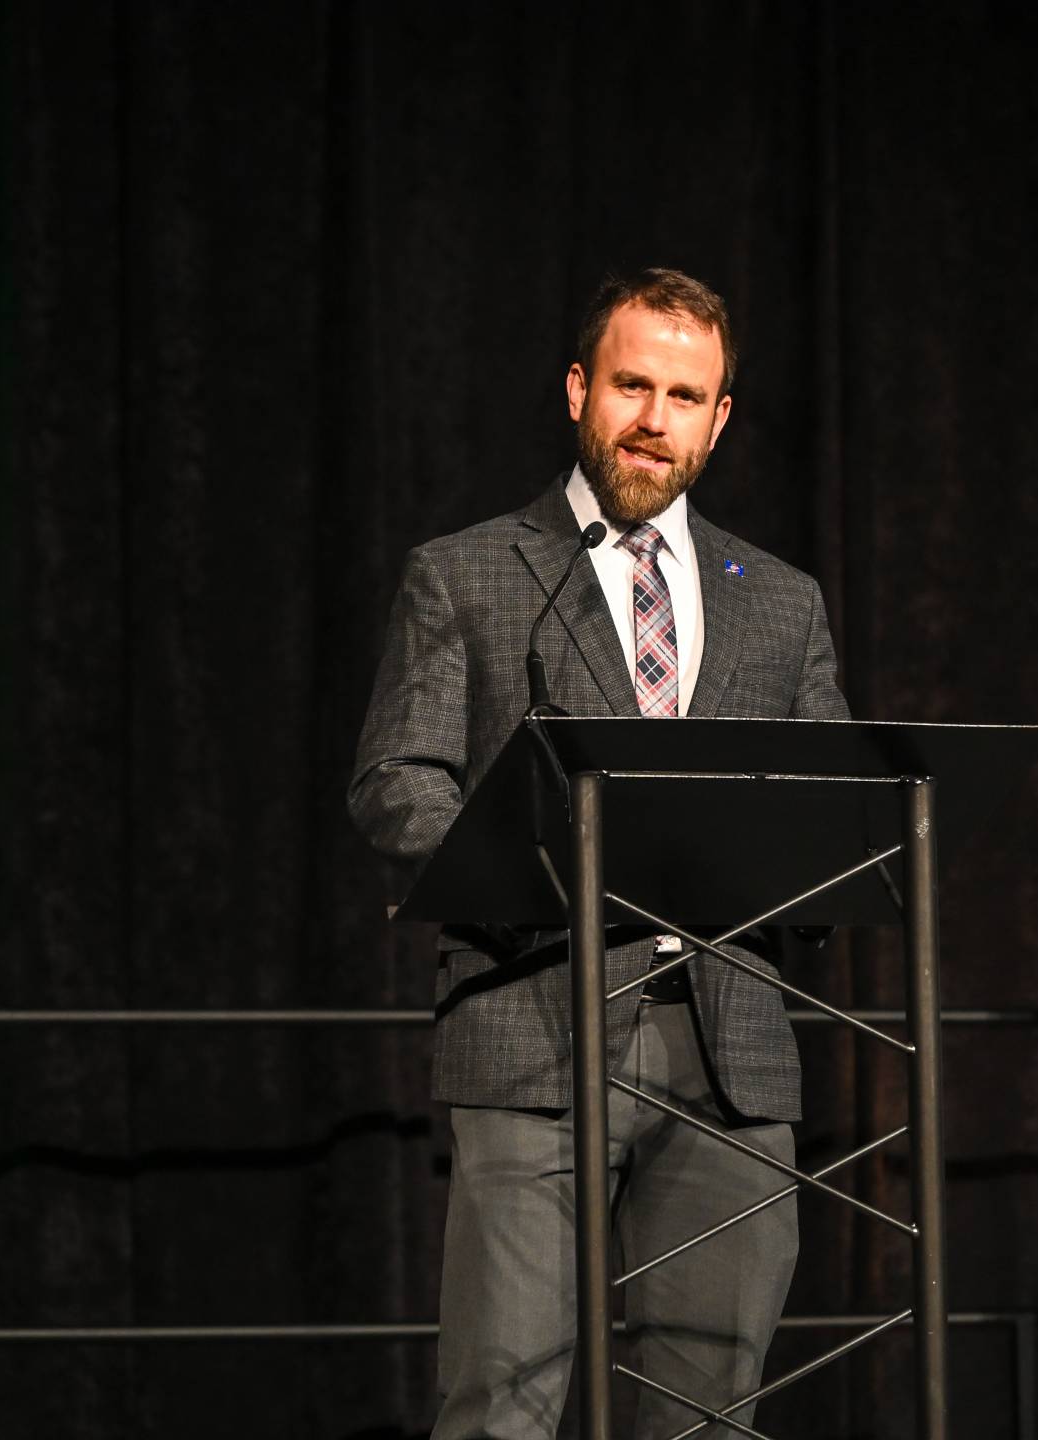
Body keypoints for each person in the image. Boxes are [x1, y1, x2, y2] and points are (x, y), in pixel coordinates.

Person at [349, 267, 850, 1438]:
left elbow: (832, 808)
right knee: (505, 1408)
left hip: (729, 1054)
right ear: (580, 389)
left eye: (685, 397)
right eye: (632, 386)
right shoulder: (469, 573)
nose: (654, 420)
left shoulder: (782, 602)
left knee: (707, 1413)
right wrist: (527, 871)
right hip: (534, 1029)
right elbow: (395, 784)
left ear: (719, 419)